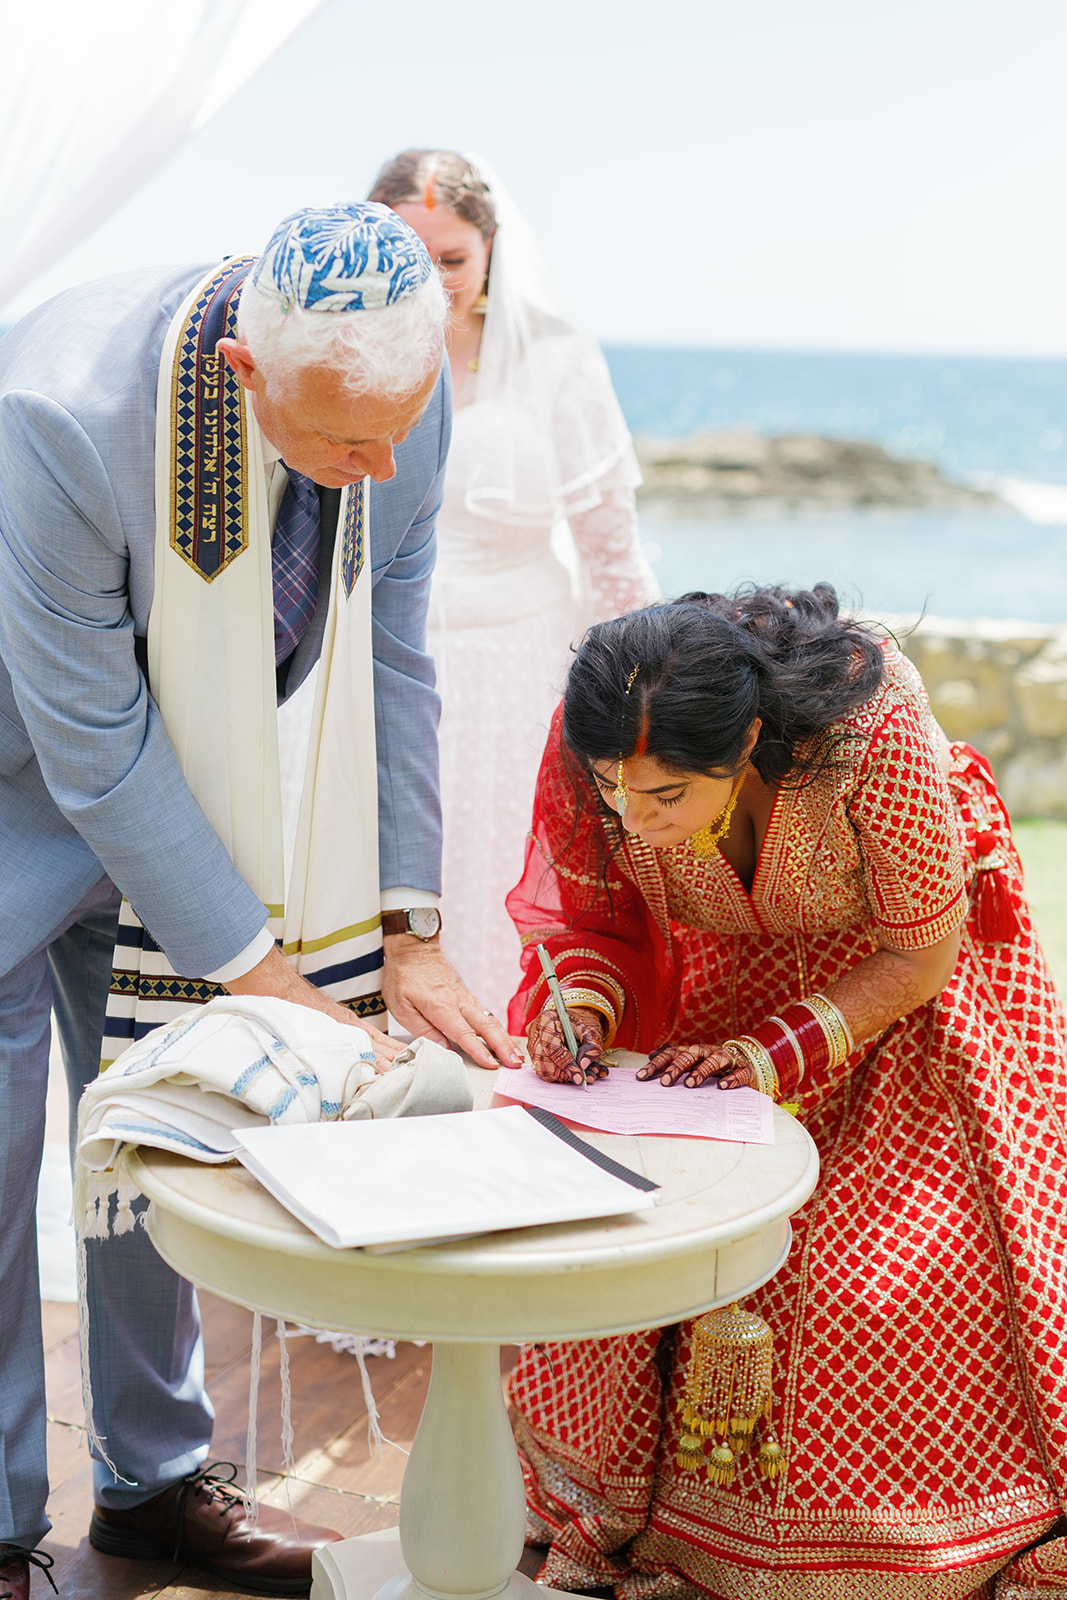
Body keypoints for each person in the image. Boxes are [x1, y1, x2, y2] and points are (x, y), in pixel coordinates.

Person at [0, 201, 521, 1600]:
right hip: (14, 783)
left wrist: (403, 932)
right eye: (349, 443)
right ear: (241, 374)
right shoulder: (55, 414)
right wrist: (263, 971)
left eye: (403, 427)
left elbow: (396, 654)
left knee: (163, 1134)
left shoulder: (388, 399)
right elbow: (91, 747)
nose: (385, 467)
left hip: (183, 790)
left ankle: (154, 1492)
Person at [502, 586, 1067, 1599]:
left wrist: (771, 1056)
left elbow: (918, 954)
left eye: (666, 798)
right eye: (615, 792)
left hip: (890, 1005)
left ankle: (877, 1545)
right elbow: (591, 915)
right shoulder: (601, 741)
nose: (634, 819)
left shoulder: (872, 727)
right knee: (645, 1245)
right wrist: (580, 1010)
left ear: (751, 739)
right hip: (711, 999)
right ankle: (636, 1503)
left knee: (877, 1280)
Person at [364, 149, 660, 1014]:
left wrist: (643, 710)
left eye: (451, 260)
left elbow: (609, 550)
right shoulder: (351, 353)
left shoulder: (558, 360)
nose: (432, 281)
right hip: (379, 665)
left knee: (498, 869)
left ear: (491, 249)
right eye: (410, 259)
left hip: (516, 673)